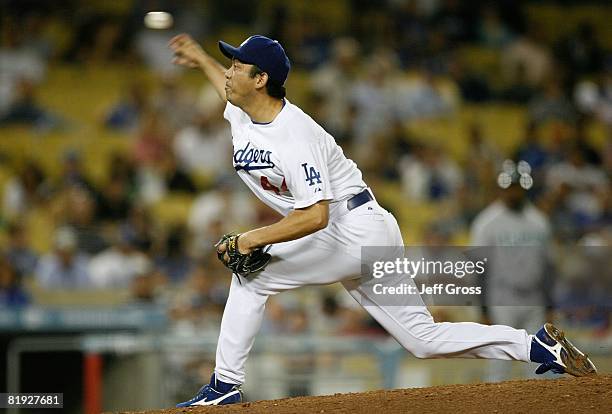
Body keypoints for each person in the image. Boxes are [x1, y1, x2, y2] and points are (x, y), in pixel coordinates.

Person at [168, 34, 597, 406]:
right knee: (421, 340)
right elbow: (226, 94)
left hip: (349, 229)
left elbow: (315, 215)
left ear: (261, 79)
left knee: (252, 276)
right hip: (360, 228)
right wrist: (201, 60)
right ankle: (534, 345)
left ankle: (224, 385)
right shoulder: (244, 112)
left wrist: (250, 239)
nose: (228, 71)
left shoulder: (293, 133)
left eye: (237, 65)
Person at [470, 161, 552, 381]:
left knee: (539, 364)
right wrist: (483, 309)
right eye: (509, 187)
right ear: (501, 189)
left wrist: (550, 304)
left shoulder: (539, 222)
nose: (512, 191)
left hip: (534, 299)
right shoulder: (486, 222)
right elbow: (479, 269)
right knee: (499, 364)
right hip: (501, 298)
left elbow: (547, 268)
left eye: (516, 186)